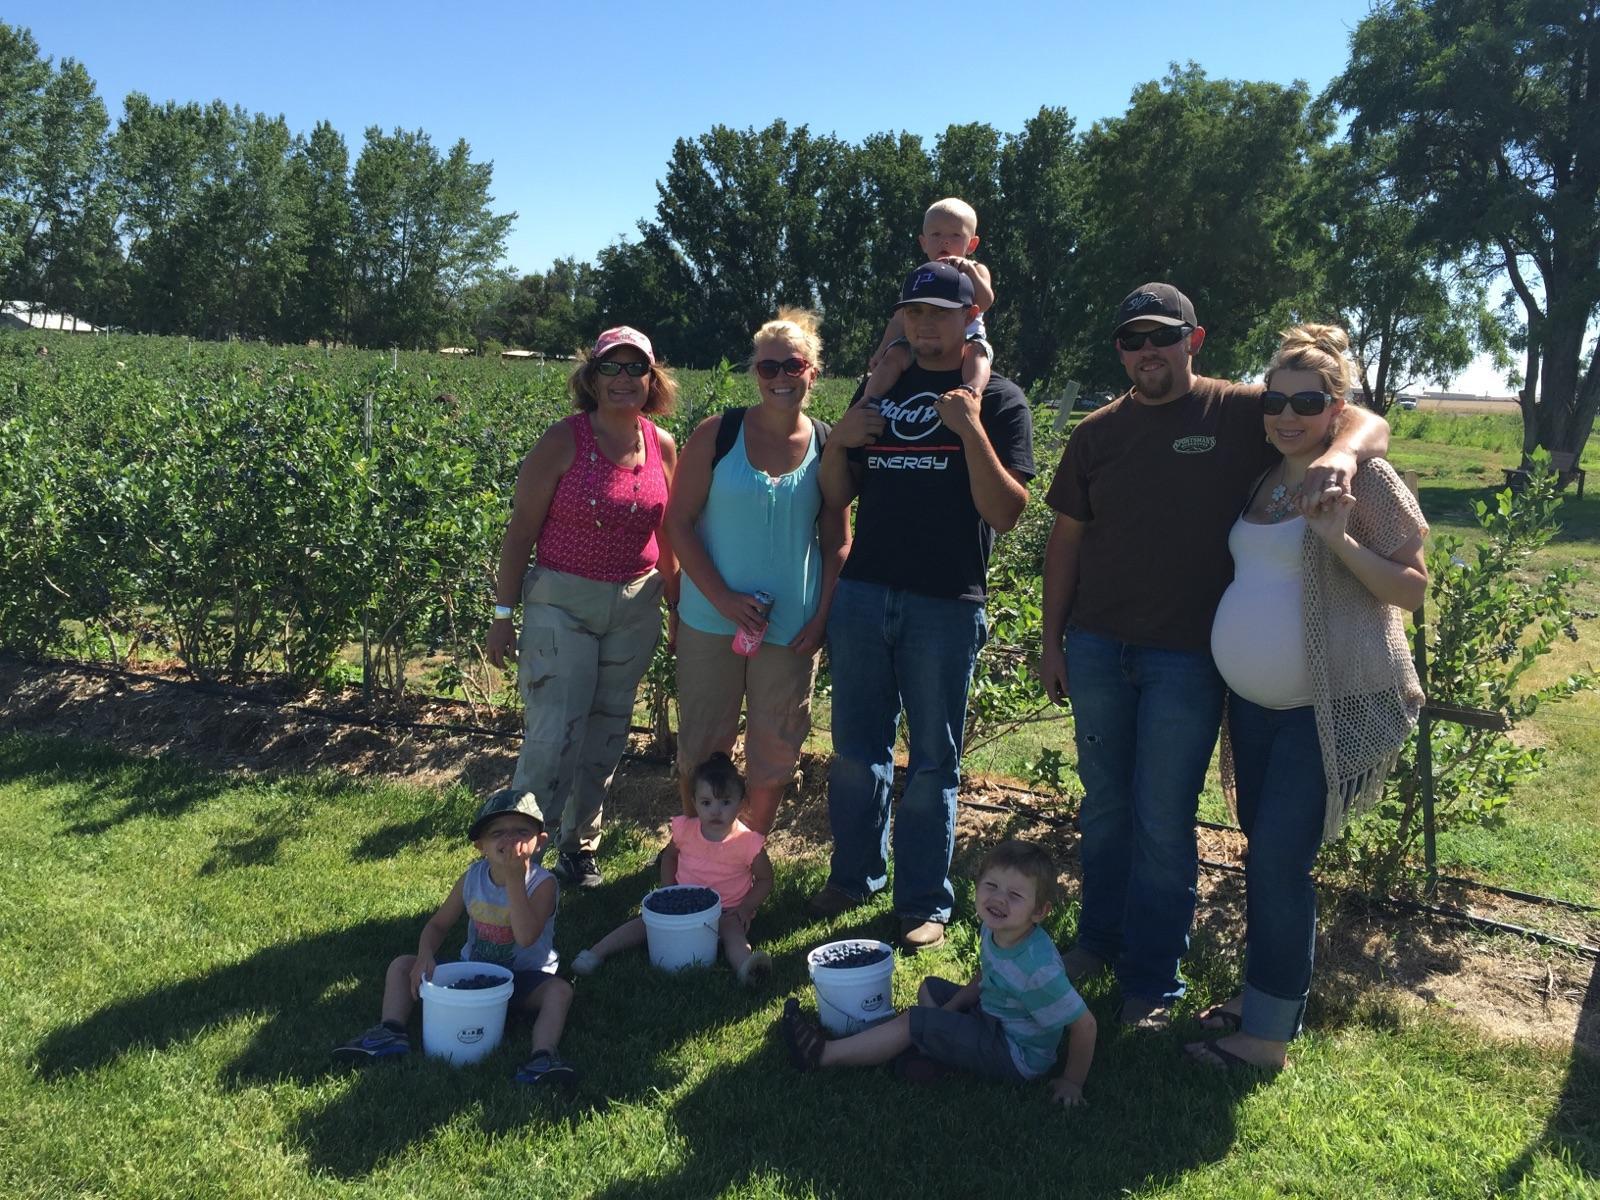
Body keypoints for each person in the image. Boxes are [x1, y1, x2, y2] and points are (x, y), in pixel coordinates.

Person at [1038, 284, 1391, 1029]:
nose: (1146, 351)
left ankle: (1153, 979)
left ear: (1193, 342)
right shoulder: (1097, 433)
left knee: (1163, 817)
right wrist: (1052, 643)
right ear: (1120, 351)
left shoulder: (1241, 409)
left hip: (1187, 661)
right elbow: (1064, 542)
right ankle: (1098, 942)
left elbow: (1355, 414)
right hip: (1098, 647)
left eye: (1161, 337)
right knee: (1104, 806)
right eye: (1131, 339)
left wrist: (1346, 455)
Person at [1189, 325, 1426, 1071]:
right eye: (1276, 398)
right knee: (1267, 852)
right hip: (1254, 708)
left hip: (1322, 706)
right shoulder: (1265, 477)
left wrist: (1339, 542)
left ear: (1337, 406)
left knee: (1278, 862)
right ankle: (1266, 999)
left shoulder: (1363, 480)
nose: (1288, 413)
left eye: (1307, 400)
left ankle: (1263, 1039)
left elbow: (1412, 590)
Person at [809, 261, 1035, 952]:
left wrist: (969, 431)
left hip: (946, 602)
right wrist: (843, 439)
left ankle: (923, 904)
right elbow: (834, 495)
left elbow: (1006, 512)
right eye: (915, 312)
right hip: (865, 592)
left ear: (972, 319)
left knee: (934, 760)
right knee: (855, 750)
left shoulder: (999, 400)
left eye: (940, 312)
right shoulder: (882, 385)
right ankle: (852, 877)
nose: (925, 324)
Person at [486, 326, 678, 889]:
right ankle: (519, 857)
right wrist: (503, 616)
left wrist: (676, 608)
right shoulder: (564, 440)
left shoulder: (661, 445)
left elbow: (670, 536)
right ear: (590, 378)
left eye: (634, 368)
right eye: (610, 368)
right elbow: (521, 532)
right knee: (553, 736)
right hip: (562, 602)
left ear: (652, 378)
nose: (623, 379)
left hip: (636, 603)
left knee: (606, 735)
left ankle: (579, 847)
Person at [662, 308, 850, 833]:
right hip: (710, 620)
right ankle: (700, 856)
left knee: (777, 746)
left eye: (793, 366)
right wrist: (721, 597)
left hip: (790, 627)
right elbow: (677, 522)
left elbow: (838, 543)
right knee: (701, 744)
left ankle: (749, 855)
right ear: (755, 373)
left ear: (814, 371)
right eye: (769, 368)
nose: (781, 378)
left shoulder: (827, 445)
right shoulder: (718, 434)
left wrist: (821, 620)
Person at [780, 840, 1096, 1105]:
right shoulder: (996, 928)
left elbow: (1085, 1024)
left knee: (914, 1020)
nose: (999, 898)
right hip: (993, 1017)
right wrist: (951, 1009)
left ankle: (822, 1055)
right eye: (991, 886)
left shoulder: (1037, 969)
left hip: (1015, 1053)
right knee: (929, 989)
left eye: (1015, 895)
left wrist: (1072, 1082)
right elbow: (986, 975)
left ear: (1039, 912)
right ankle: (934, 1056)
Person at [332, 788, 577, 1087]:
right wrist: (425, 955)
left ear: (539, 842)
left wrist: (514, 878)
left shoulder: (543, 884)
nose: (510, 840)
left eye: (521, 832)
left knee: (560, 992)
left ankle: (542, 1057)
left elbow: (526, 938)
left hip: (524, 979)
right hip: (473, 973)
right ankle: (390, 1031)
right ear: (480, 846)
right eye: (498, 832)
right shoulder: (472, 878)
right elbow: (438, 925)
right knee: (401, 966)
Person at [570, 753, 775, 985]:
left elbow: (766, 879)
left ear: (742, 803)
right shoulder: (686, 830)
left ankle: (747, 967)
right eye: (706, 803)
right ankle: (596, 952)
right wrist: (669, 891)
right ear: (694, 801)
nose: (715, 811)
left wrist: (746, 907)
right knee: (644, 923)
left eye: (725, 802)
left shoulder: (748, 842)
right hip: (683, 905)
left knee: (733, 935)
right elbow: (669, 857)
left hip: (727, 910)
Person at [863, 197, 995, 410]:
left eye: (955, 235)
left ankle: (972, 391)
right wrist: (881, 350)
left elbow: (985, 302)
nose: (945, 241)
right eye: (936, 235)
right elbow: (899, 320)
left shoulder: (976, 269)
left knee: (977, 354)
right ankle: (868, 399)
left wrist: (968, 272)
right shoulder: (921, 277)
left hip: (968, 337)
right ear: (924, 243)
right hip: (920, 341)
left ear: (972, 244)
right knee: (894, 356)